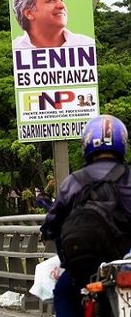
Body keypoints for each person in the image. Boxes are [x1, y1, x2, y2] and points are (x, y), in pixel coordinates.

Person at [40, 115, 131, 316]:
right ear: (122, 143)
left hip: (87, 264)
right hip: (127, 261)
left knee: (63, 292)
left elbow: (54, 218)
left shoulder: (74, 181)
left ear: (86, 143)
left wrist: (46, 232)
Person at [11, 0, 95, 49]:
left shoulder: (86, 44)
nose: (61, 5)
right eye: (51, 1)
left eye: (61, 0)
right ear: (29, 13)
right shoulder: (15, 48)